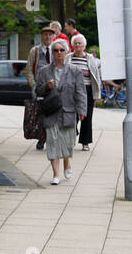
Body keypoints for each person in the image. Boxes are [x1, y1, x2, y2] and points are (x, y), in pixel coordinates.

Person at [34, 40, 86, 184]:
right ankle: (56, 174)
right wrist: (46, 86)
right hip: (50, 112)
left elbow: (80, 92)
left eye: (61, 50)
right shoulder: (44, 71)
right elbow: (37, 90)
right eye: (55, 50)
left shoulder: (75, 71)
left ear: (66, 51)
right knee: (52, 142)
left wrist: (82, 110)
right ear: (52, 52)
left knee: (68, 143)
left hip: (68, 111)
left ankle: (67, 162)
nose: (58, 53)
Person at [27, 24, 58, 151]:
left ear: (53, 36)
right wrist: (33, 85)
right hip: (40, 87)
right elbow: (29, 69)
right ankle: (41, 138)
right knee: (40, 115)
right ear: (41, 36)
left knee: (54, 114)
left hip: (54, 87)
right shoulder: (35, 51)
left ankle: (52, 138)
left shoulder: (58, 49)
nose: (48, 36)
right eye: (45, 34)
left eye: (50, 34)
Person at [68, 33, 101, 148]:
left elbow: (96, 76)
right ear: (72, 45)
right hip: (71, 90)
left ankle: (85, 142)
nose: (77, 45)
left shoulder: (90, 58)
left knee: (87, 116)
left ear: (84, 45)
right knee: (72, 115)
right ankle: (71, 136)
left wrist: (96, 95)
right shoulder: (69, 57)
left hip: (87, 89)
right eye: (75, 43)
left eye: (79, 43)